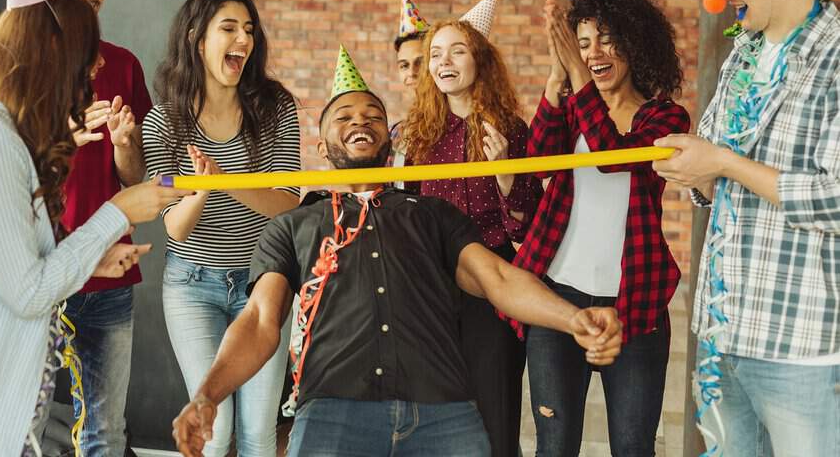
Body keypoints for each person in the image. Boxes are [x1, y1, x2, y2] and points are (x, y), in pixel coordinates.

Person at [170, 53, 624, 457]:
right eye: (343, 116)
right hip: (332, 412)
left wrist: (574, 319)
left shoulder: (431, 214)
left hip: (443, 414)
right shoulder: (292, 226)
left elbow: (497, 280)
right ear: (321, 148)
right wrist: (208, 395)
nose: (360, 121)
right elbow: (258, 321)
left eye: (372, 115)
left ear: (388, 144)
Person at [0, 0, 189, 457]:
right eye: (85, 55)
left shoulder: (9, 139)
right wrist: (118, 211)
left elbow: (17, 262)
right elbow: (27, 289)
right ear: (49, 52)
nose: (97, 68)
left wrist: (94, 261)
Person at [653, 0, 840, 456]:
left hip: (802, 346)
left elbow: (835, 198)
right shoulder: (742, 54)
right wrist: (696, 171)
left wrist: (725, 164)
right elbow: (713, 172)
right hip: (721, 332)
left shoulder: (836, 56)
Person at [511, 0, 689, 455]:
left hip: (634, 302)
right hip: (558, 296)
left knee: (633, 446)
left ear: (635, 44)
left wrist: (575, 78)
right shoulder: (572, 105)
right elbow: (537, 165)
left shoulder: (664, 115)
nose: (593, 53)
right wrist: (554, 79)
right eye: (582, 42)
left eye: (606, 39)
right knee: (554, 441)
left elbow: (613, 158)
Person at [143, 0, 301, 457]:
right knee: (216, 426)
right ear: (198, 38)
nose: (244, 40)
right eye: (229, 28)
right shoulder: (164, 121)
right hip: (192, 285)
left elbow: (288, 200)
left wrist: (223, 179)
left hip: (263, 284)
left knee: (257, 431)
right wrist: (202, 190)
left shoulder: (275, 107)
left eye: (249, 29)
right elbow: (174, 224)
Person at [31, 0, 153, 455]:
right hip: (31, 275)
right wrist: (63, 138)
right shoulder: (15, 69)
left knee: (106, 431)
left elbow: (135, 180)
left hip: (107, 278)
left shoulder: (123, 64)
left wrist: (126, 144)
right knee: (15, 420)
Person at [403, 0, 535, 457]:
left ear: (480, 61)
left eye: (457, 50)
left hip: (490, 281)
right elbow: (409, 210)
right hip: (432, 283)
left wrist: (505, 175)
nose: (444, 61)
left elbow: (527, 221)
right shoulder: (419, 132)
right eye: (436, 54)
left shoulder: (512, 131)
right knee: (437, 406)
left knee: (495, 405)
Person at [388, 0, 429, 171]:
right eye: (404, 65)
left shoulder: (457, 126)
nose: (411, 72)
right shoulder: (395, 132)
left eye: (420, 63)